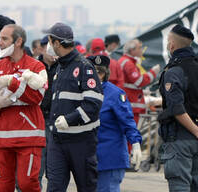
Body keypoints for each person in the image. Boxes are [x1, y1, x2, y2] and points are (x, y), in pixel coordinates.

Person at [0, 24, 47, 192]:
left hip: (29, 136)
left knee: (28, 184)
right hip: (0, 138)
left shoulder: (36, 67)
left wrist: (12, 83)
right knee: (2, 187)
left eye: (4, 39)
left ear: (18, 41)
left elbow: (36, 97)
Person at [158, 24, 198, 191]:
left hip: (181, 138)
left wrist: (195, 131)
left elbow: (176, 107)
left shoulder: (173, 71)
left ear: (172, 45)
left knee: (180, 186)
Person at [44, 23, 103, 192]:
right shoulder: (61, 67)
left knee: (87, 188)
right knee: (54, 188)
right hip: (58, 140)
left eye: (49, 41)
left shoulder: (84, 67)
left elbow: (93, 103)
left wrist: (69, 120)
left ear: (56, 43)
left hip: (81, 141)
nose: (47, 46)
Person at [87, 55, 142, 192]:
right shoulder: (83, 93)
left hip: (110, 157)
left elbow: (128, 122)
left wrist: (135, 144)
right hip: (88, 158)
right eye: (91, 72)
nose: (94, 75)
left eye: (98, 72)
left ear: (105, 74)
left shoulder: (115, 94)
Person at [118, 39, 160, 123]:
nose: (141, 50)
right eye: (139, 48)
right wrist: (153, 72)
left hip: (127, 104)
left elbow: (129, 83)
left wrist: (142, 91)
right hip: (131, 105)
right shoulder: (128, 63)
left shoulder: (124, 61)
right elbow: (139, 81)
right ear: (132, 50)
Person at [37, 35, 58, 188]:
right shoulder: (35, 66)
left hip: (56, 120)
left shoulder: (63, 67)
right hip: (37, 119)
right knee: (37, 163)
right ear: (42, 48)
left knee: (55, 167)